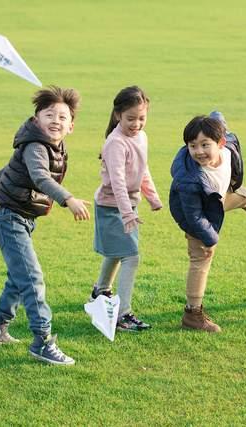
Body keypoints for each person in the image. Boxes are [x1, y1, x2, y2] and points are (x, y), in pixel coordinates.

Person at [0, 86, 91, 365]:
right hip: (10, 219)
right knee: (32, 279)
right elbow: (39, 176)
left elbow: (13, 166)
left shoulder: (52, 145)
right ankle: (42, 341)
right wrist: (68, 199)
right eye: (49, 114)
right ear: (36, 119)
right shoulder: (36, 145)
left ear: (71, 126)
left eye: (62, 117)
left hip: (22, 218)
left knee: (19, 277)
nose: (55, 120)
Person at [90, 85, 162, 332]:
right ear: (118, 114)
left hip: (127, 206)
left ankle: (100, 291)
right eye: (131, 118)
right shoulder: (115, 143)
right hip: (112, 207)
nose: (137, 124)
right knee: (131, 256)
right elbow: (118, 182)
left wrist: (152, 196)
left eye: (142, 118)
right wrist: (127, 213)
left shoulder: (141, 137)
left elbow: (143, 169)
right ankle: (123, 314)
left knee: (117, 251)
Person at [169, 115, 234, 333]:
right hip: (195, 216)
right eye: (192, 146)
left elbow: (219, 121)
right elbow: (194, 216)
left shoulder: (229, 149)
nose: (198, 151)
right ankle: (192, 314)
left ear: (221, 143)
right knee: (202, 257)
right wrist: (210, 238)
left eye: (205, 144)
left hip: (217, 198)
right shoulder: (190, 178)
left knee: (242, 195)